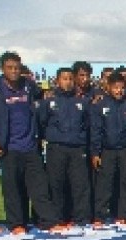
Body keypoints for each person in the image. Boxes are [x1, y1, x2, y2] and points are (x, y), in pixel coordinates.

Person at [0, 51, 62, 234]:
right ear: (2, 69)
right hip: (8, 148)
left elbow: (45, 97)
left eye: (17, 68)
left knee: (40, 188)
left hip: (31, 147)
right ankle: (17, 224)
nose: (14, 71)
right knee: (13, 189)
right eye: (10, 68)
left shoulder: (29, 86)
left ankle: (48, 221)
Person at [37, 67, 92, 227]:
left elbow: (87, 125)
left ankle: (81, 219)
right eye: (64, 79)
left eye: (70, 79)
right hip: (56, 148)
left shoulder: (82, 102)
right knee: (56, 184)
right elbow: (42, 122)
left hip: (77, 148)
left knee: (80, 184)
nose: (67, 82)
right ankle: (58, 218)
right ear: (57, 80)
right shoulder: (49, 102)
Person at [90, 72, 126, 225]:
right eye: (116, 88)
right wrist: (95, 152)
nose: (119, 91)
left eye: (122, 88)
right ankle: (99, 216)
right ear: (109, 88)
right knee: (104, 185)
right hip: (107, 150)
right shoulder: (101, 105)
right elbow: (96, 130)